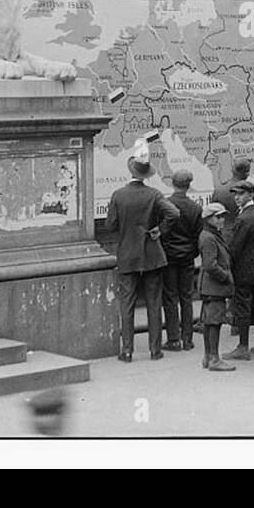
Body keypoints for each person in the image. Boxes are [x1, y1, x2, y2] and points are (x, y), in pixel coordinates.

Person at [105, 141, 179, 363]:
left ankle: (127, 350)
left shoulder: (118, 195)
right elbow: (173, 213)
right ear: (146, 174)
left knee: (126, 305)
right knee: (154, 303)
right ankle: (155, 350)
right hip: (152, 255)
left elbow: (110, 226)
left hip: (127, 254)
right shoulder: (154, 194)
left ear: (131, 170)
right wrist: (159, 230)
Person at [225, 180, 254, 360]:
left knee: (243, 307)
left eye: (241, 194)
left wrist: (229, 265)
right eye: (235, 194)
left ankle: (243, 346)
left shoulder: (244, 218)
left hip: (244, 269)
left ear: (251, 194)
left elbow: (235, 248)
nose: (237, 197)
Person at [163, 170, 202, 352]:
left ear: (173, 183)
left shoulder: (166, 205)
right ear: (188, 185)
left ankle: (173, 338)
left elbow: (163, 232)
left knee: (170, 297)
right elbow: (197, 236)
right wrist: (192, 252)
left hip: (169, 256)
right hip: (187, 257)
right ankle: (188, 339)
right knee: (187, 297)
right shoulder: (195, 208)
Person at [197, 202, 236, 372]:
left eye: (222, 217)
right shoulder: (209, 237)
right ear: (208, 219)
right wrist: (226, 277)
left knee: (211, 321)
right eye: (218, 217)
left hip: (211, 286)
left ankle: (209, 356)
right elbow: (210, 265)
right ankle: (214, 358)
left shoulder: (211, 235)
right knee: (214, 322)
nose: (222, 220)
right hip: (214, 286)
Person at [211, 159, 251, 236]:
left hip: (223, 234)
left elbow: (213, 213)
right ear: (247, 173)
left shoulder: (219, 190)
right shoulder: (249, 192)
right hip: (244, 234)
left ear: (233, 170)